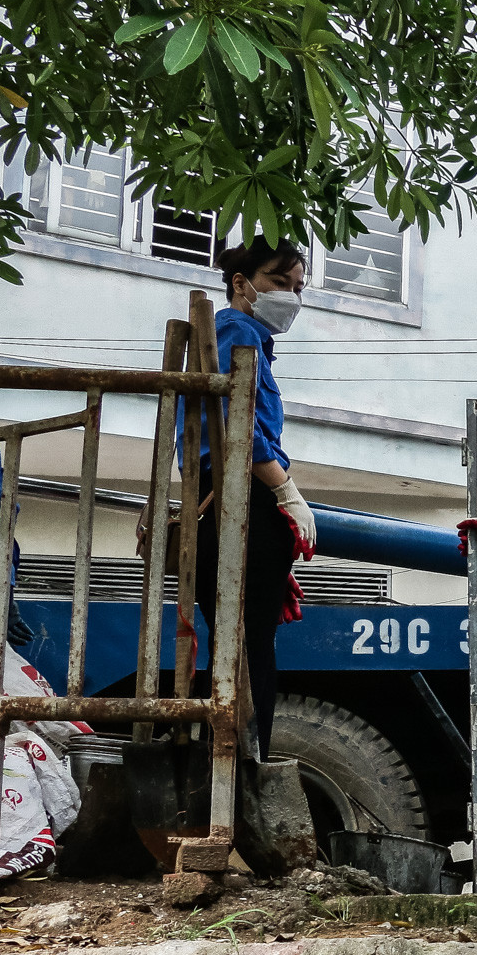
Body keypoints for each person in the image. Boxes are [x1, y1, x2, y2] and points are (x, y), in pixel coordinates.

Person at [184, 239, 314, 758]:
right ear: (242, 282)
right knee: (249, 648)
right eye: (279, 282)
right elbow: (244, 433)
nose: (291, 297)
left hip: (235, 501)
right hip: (238, 499)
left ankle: (236, 760)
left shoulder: (248, 337)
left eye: (298, 288)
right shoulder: (237, 331)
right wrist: (284, 491)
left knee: (240, 643)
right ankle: (243, 763)